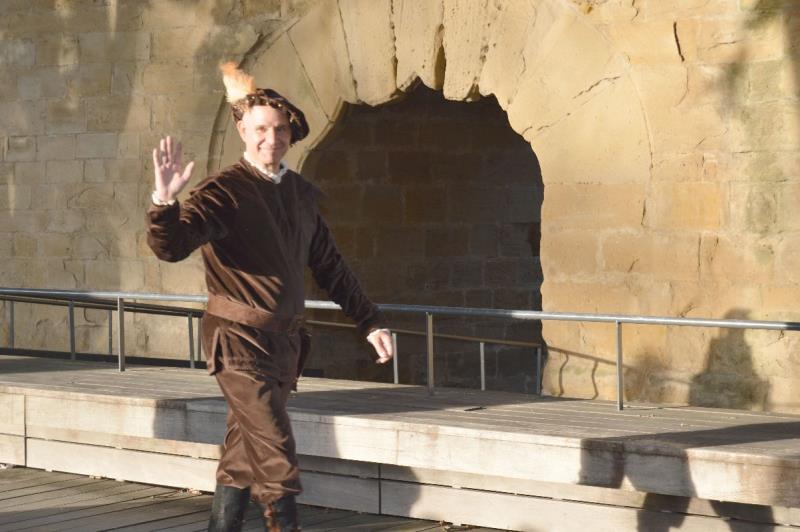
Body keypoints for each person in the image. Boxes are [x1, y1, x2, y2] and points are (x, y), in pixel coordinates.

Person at [146, 62, 394, 532]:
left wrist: (371, 321)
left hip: (284, 347)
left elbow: (331, 266)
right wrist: (164, 204)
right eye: (260, 129)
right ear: (243, 130)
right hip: (237, 341)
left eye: (279, 129)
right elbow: (172, 246)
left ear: (290, 133)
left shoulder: (300, 194)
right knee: (275, 449)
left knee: (244, 451)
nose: (270, 138)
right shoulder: (222, 192)